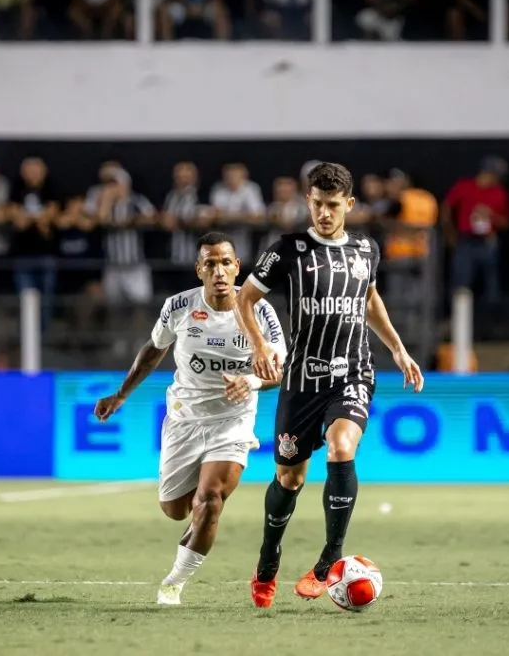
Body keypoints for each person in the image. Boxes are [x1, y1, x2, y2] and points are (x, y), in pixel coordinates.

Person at [234, 162, 425, 608]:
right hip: (302, 379)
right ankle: (268, 561)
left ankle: (328, 563)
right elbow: (246, 297)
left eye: (333, 205)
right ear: (308, 201)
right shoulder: (287, 250)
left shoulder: (366, 250)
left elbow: (369, 298)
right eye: (317, 204)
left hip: (353, 372)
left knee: (342, 447)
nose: (324, 213)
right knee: (291, 477)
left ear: (349, 205)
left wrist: (396, 348)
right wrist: (259, 346)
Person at [93, 231, 287, 606]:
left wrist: (249, 381)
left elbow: (277, 370)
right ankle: (197, 522)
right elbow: (154, 350)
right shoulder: (179, 306)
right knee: (175, 510)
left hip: (232, 420)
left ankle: (174, 583)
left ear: (237, 268)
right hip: (184, 419)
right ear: (199, 269)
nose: (219, 271)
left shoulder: (260, 310)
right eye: (210, 263)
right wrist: (121, 394)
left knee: (210, 500)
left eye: (226, 262)